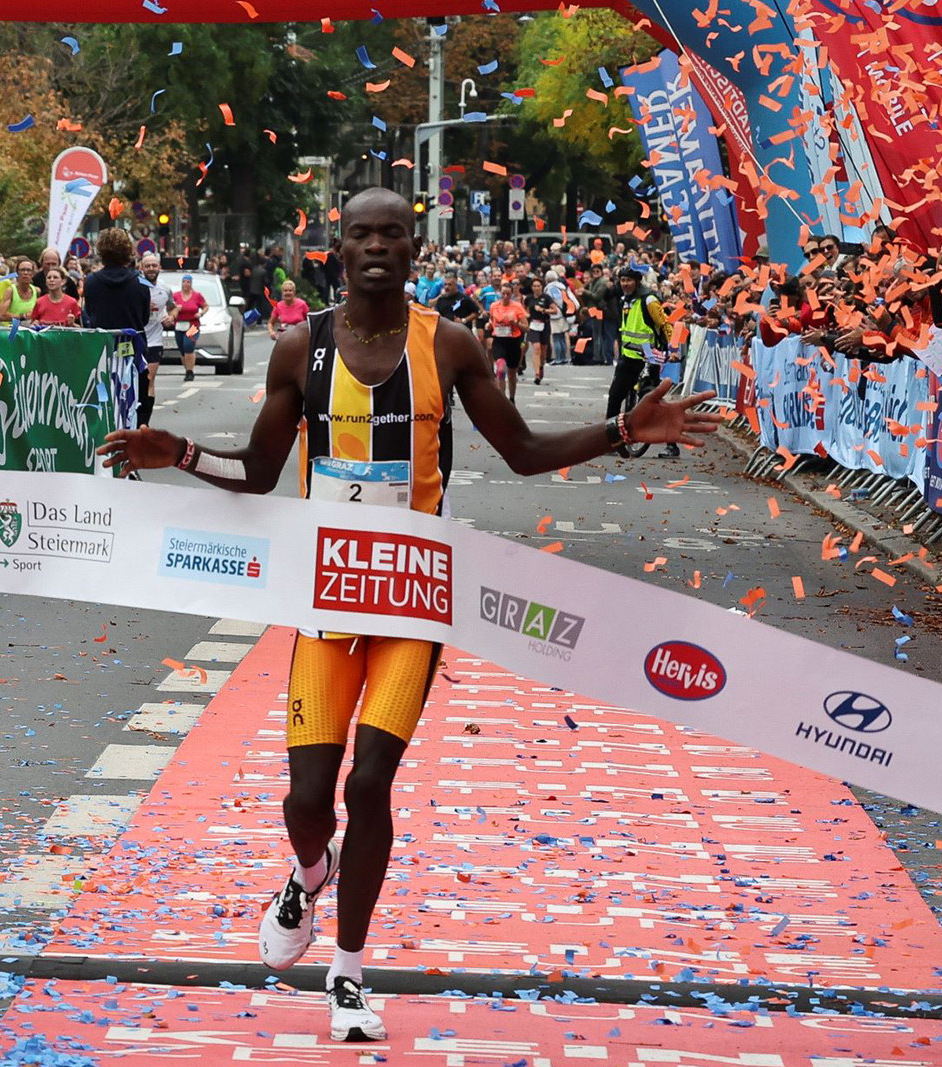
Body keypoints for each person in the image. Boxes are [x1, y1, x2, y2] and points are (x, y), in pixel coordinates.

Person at [95, 189, 717, 1045]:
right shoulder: (298, 348)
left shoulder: (449, 346)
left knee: (368, 784)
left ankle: (348, 970)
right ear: (337, 248)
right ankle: (311, 872)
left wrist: (621, 429)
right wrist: (183, 453)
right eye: (362, 234)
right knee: (309, 798)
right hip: (326, 603)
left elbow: (524, 453)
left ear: (414, 249)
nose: (377, 246)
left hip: (413, 608)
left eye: (393, 233)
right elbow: (262, 472)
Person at [607, 268, 676, 455]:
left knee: (653, 401)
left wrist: (674, 349)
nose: (625, 284)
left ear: (637, 282)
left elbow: (665, 324)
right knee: (615, 397)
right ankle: (611, 441)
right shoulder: (626, 299)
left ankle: (672, 443)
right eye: (622, 280)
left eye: (628, 280)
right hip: (628, 356)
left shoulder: (649, 300)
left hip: (648, 357)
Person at [140, 253, 174, 427]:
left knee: (149, 379)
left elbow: (174, 308)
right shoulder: (136, 287)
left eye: (154, 266)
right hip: (137, 339)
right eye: (148, 266)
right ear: (142, 268)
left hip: (154, 340)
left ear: (159, 267)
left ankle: (145, 421)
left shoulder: (165, 289)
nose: (151, 269)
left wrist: (171, 317)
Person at [487, 278, 530, 403]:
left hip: (513, 342)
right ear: (499, 293)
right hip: (499, 341)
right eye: (503, 293)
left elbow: (526, 328)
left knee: (511, 374)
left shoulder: (517, 307)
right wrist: (489, 325)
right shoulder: (494, 306)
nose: (505, 296)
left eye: (508, 294)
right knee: (500, 370)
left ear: (511, 294)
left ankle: (511, 399)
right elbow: (491, 320)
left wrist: (515, 322)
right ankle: (502, 401)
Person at [171, 273, 209, 382]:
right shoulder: (176, 296)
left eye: (188, 282)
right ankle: (187, 370)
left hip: (192, 325)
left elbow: (205, 306)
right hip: (179, 325)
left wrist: (201, 313)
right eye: (184, 282)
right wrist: (176, 309)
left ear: (191, 284)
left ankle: (190, 372)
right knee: (182, 350)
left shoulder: (197, 296)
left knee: (188, 346)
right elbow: (170, 308)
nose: (186, 284)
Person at [0, 259, 41, 323]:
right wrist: (23, 316)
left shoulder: (37, 291)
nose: (25, 273)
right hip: (14, 330)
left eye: (28, 270)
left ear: (32, 274)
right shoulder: (11, 291)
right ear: (17, 273)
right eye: (22, 270)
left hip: (30, 331)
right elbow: (2, 315)